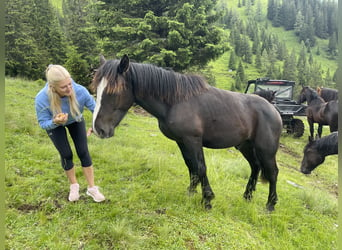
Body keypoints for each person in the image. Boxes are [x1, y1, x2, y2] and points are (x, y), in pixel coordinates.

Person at [35, 64, 105, 202]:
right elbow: (43, 123)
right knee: (66, 154)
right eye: (63, 87)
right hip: (56, 125)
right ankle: (74, 185)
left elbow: (96, 110)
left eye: (70, 83)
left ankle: (92, 188)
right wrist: (55, 122)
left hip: (75, 119)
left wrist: (94, 126)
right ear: (52, 87)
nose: (69, 88)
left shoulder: (80, 91)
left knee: (83, 152)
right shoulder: (42, 98)